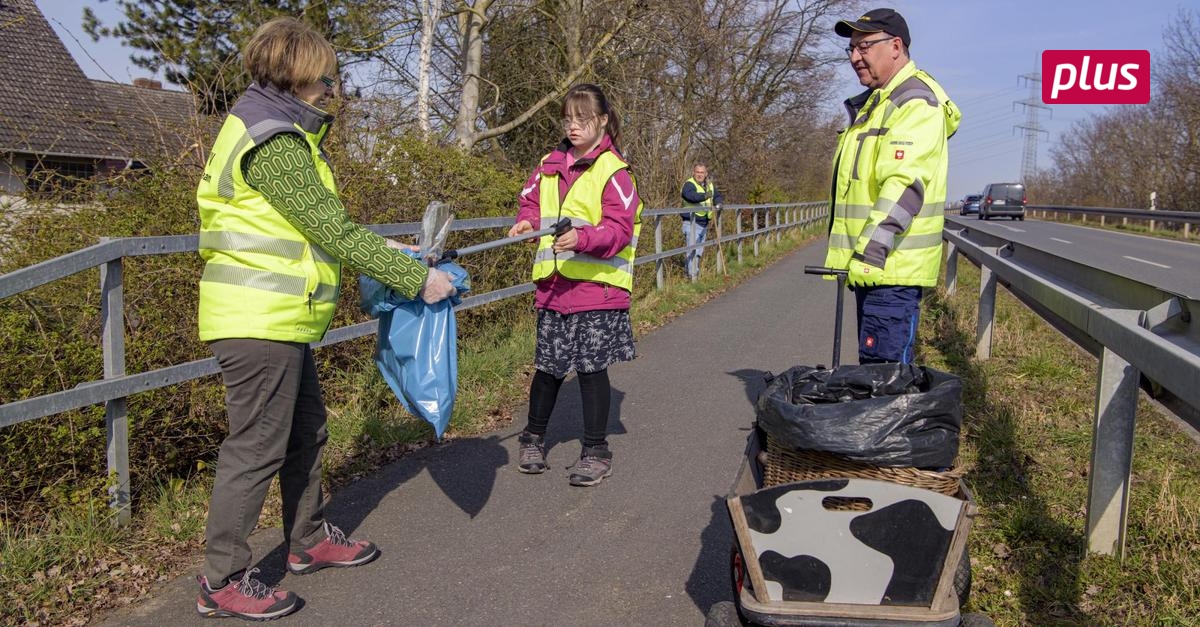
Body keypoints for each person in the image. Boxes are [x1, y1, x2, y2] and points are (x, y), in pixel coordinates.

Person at [193, 17, 457, 620]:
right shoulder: (274, 140)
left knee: (307, 430)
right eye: (327, 75)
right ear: (300, 73)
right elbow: (329, 230)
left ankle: (307, 541)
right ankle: (223, 578)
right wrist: (419, 279)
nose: (334, 85)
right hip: (257, 320)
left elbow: (316, 232)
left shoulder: (275, 129)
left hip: (279, 320)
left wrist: (392, 254)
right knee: (257, 447)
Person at [507, 83, 643, 487]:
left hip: (597, 290)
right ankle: (532, 439)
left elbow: (620, 229)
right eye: (568, 119)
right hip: (553, 287)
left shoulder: (615, 172)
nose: (573, 126)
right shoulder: (549, 163)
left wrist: (584, 239)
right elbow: (530, 201)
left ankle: (596, 450)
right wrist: (528, 221)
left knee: (590, 370)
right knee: (547, 369)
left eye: (582, 119)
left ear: (602, 120)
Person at [825, 8, 960, 364]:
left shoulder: (914, 102)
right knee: (874, 379)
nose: (855, 57)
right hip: (876, 268)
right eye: (851, 49)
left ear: (895, 46)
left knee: (884, 382)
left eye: (864, 46)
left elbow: (904, 186)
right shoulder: (879, 103)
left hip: (889, 268)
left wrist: (870, 253)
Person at [680, 163, 723, 279]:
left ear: (706, 174)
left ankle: (693, 275)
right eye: (697, 172)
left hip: (703, 223)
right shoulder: (689, 184)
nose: (699, 175)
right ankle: (692, 277)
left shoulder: (709, 185)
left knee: (698, 251)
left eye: (702, 172)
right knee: (692, 251)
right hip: (691, 222)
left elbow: (717, 196)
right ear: (693, 173)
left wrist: (718, 203)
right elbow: (690, 196)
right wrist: (705, 196)